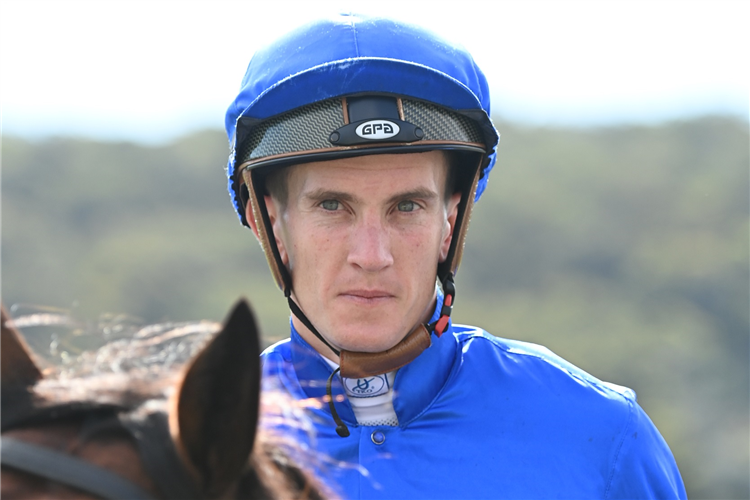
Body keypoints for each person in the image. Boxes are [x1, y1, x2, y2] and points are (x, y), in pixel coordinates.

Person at [224, 13, 687, 499]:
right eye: (332, 206)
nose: (371, 254)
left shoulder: (604, 437)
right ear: (269, 222)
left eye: (407, 206)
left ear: (451, 219)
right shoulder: (191, 447)